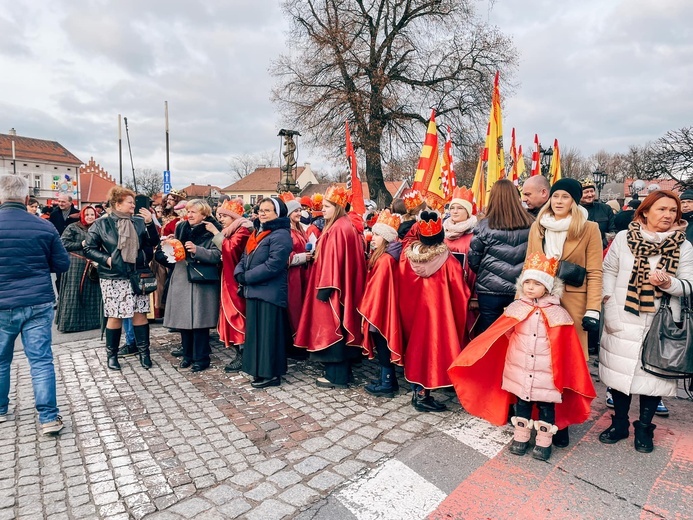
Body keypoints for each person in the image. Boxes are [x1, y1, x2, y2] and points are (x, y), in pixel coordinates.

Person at [448, 252, 596, 461]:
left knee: (546, 407)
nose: (530, 287)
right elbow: (502, 334)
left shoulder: (558, 314)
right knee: (521, 404)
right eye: (527, 282)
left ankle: (544, 442)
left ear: (548, 287)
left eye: (536, 283)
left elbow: (566, 348)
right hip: (519, 368)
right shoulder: (516, 308)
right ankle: (521, 437)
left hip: (547, 373)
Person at [599, 190, 693, 453]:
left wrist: (669, 283)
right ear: (645, 212)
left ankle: (644, 428)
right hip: (624, 314)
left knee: (653, 377)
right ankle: (619, 424)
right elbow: (609, 271)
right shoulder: (623, 239)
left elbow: (689, 285)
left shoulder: (684, 246)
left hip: (661, 321)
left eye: (673, 210)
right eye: (662, 209)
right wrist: (610, 305)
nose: (668, 215)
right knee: (620, 374)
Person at [526, 177, 602, 448]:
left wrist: (593, 308)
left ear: (574, 200)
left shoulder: (589, 228)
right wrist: (520, 302)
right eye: (556, 196)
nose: (559, 202)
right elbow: (529, 265)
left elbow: (594, 271)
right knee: (540, 361)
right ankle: (536, 415)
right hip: (541, 302)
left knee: (568, 363)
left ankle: (562, 421)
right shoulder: (539, 226)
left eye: (565, 197)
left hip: (574, 303)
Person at [0, 174, 70, 434]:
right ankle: (49, 417)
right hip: (38, 300)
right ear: (27, 198)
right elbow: (62, 264)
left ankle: (0, 409)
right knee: (40, 360)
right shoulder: (44, 226)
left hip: (2, 302)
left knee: (0, 360)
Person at [295, 185, 367, 389]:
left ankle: (336, 375)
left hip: (332, 286)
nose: (322, 209)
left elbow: (333, 262)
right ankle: (342, 372)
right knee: (342, 327)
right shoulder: (344, 225)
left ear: (337, 207)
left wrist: (326, 287)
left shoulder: (337, 229)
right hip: (341, 285)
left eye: (327, 206)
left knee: (332, 327)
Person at [399, 211, 469, 412]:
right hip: (439, 317)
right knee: (434, 352)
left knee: (417, 351)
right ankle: (424, 396)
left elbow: (402, 284)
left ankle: (417, 392)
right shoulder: (448, 262)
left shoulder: (407, 258)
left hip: (414, 316)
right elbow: (460, 291)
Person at [84, 186, 160, 370]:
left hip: (136, 275)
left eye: (133, 202)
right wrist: (107, 259)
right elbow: (88, 248)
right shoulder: (102, 224)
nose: (133, 205)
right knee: (115, 316)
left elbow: (153, 243)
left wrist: (150, 224)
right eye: (129, 202)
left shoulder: (139, 222)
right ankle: (112, 355)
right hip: (113, 276)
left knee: (139, 314)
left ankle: (144, 353)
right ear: (117, 203)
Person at [234, 197, 293, 388]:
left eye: (268, 210)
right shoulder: (259, 232)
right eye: (261, 210)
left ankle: (272, 374)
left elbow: (273, 265)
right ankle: (259, 370)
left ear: (278, 214)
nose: (262, 213)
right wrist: (239, 272)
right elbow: (245, 255)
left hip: (270, 292)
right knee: (256, 334)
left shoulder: (281, 234)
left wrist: (247, 276)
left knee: (269, 335)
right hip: (255, 290)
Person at [162, 199, 222, 373]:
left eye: (194, 212)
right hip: (182, 277)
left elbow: (219, 255)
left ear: (204, 214)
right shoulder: (181, 227)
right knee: (183, 321)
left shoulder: (212, 229)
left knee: (199, 322)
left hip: (201, 280)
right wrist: (171, 244)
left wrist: (198, 250)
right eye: (188, 212)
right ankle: (187, 355)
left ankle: (201, 358)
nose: (189, 215)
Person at [469, 179, 535, 331]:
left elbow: (474, 259)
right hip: (521, 288)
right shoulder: (532, 223)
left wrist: (487, 272)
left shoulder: (484, 226)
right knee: (519, 332)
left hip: (490, 288)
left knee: (490, 333)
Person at [359, 210, 403, 398]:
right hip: (382, 307)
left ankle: (387, 383)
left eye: (376, 234)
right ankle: (388, 379)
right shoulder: (383, 255)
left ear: (385, 238)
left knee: (383, 344)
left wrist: (367, 307)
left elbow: (378, 288)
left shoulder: (385, 260)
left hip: (381, 309)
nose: (372, 237)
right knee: (382, 343)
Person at [208, 199, 253, 372]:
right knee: (230, 313)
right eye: (220, 216)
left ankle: (242, 353)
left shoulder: (243, 230)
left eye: (225, 216)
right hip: (228, 278)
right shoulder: (234, 229)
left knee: (237, 314)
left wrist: (215, 233)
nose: (221, 219)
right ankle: (239, 351)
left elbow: (231, 250)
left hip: (235, 280)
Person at [55, 206, 102, 333]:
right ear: (82, 215)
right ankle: (72, 324)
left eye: (92, 214)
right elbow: (63, 244)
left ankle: (93, 322)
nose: (90, 217)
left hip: (93, 263)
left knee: (92, 293)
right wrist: (80, 244)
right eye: (87, 214)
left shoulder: (98, 228)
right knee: (75, 293)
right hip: (76, 264)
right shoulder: (73, 227)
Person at [285, 199, 312, 339]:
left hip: (303, 273)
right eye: (296, 211)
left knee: (302, 306)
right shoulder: (287, 231)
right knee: (294, 307)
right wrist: (302, 257)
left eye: (300, 210)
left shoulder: (300, 229)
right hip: (293, 276)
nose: (299, 213)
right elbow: (284, 255)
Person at [444, 186, 478, 291]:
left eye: (460, 208)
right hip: (446, 287)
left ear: (468, 211)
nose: (455, 211)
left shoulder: (476, 234)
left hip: (467, 288)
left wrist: (474, 297)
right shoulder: (443, 232)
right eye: (452, 208)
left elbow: (477, 270)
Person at [580, 178, 616, 249]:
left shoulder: (606, 209)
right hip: (580, 250)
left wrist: (602, 244)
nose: (590, 195)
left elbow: (613, 230)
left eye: (592, 191)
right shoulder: (574, 210)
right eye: (586, 192)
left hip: (602, 249)